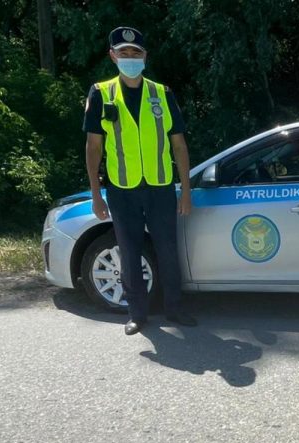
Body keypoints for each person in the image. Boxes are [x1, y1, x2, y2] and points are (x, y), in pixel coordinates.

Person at [84, 26, 197, 335]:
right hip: (122, 189)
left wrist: (185, 192)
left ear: (145, 56)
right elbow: (93, 147)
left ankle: (174, 309)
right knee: (130, 252)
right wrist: (96, 194)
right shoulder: (101, 92)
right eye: (124, 53)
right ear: (113, 56)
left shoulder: (162, 93)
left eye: (136, 53)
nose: (130, 58)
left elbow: (179, 145)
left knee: (167, 250)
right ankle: (137, 314)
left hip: (160, 187)